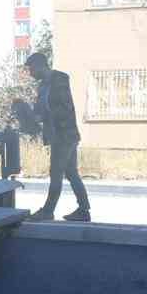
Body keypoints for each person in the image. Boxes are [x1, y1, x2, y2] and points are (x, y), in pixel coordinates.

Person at [26, 52, 91, 222]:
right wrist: (29, 115)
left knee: (56, 172)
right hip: (58, 136)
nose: (30, 73)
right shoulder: (42, 86)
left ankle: (48, 211)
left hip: (64, 135)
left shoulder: (60, 79)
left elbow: (63, 108)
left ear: (40, 66)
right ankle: (84, 210)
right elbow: (40, 111)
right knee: (71, 173)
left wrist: (43, 115)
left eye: (31, 69)